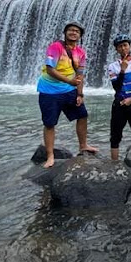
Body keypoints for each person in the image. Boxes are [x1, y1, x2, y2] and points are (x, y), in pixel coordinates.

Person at [37, 21, 98, 168]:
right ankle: (50, 156)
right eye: (70, 30)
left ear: (80, 35)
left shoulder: (81, 53)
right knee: (50, 123)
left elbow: (80, 75)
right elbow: (50, 69)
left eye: (77, 31)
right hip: (49, 91)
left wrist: (80, 94)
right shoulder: (55, 47)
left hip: (69, 91)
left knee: (82, 115)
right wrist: (69, 82)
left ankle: (83, 145)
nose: (73, 33)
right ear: (65, 33)